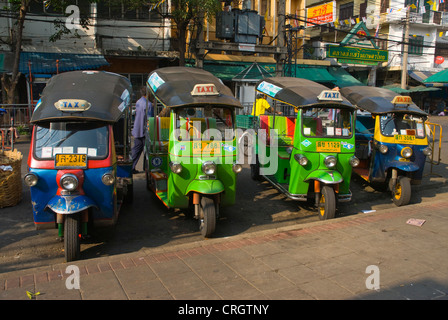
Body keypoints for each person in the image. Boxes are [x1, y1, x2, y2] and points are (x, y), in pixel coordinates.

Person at [131, 86, 151, 174]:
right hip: (143, 131)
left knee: (136, 150)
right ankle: (145, 169)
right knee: (146, 151)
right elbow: (149, 120)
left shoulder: (138, 101)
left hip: (137, 129)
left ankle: (131, 167)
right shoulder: (148, 105)